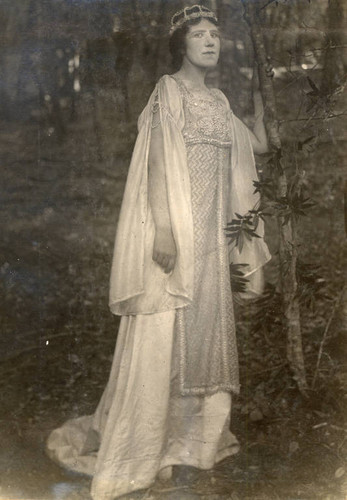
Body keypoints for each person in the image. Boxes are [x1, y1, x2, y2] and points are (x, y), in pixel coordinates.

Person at [46, 5, 271, 499]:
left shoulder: (218, 100)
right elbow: (154, 167)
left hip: (212, 240)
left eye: (215, 34)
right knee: (163, 332)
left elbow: (257, 146)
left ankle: (192, 447)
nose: (210, 42)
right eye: (200, 35)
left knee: (205, 335)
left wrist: (259, 103)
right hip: (176, 233)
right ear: (181, 45)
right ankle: (143, 449)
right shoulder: (168, 92)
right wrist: (164, 231)